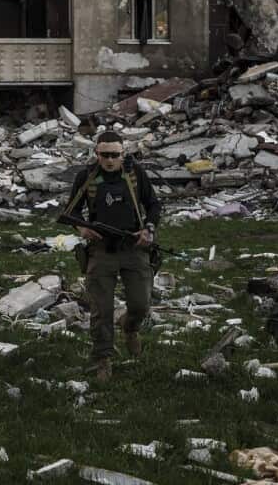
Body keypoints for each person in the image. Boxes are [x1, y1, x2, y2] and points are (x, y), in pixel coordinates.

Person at [62, 131, 162, 381]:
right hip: (101, 252)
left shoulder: (135, 174)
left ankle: (129, 328)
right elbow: (70, 212)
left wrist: (149, 229)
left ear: (123, 154)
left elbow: (153, 205)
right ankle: (103, 359)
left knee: (141, 305)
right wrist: (81, 228)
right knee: (101, 310)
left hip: (134, 249)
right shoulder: (87, 177)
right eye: (104, 154)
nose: (109, 160)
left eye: (114, 155)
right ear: (96, 153)